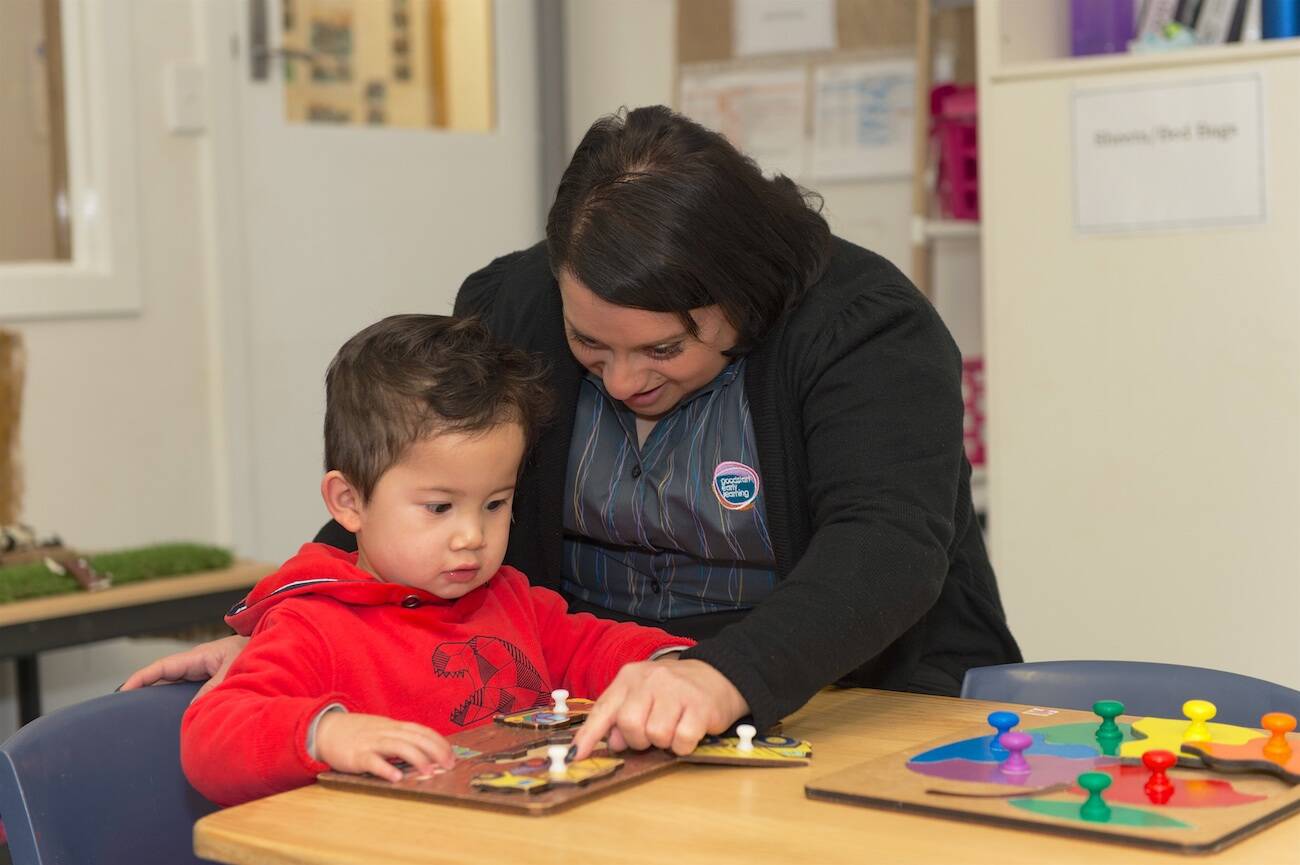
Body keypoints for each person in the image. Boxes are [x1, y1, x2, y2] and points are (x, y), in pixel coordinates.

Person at [129, 105, 1020, 763]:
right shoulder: (513, 304)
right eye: (591, 344)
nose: (626, 380)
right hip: (588, 714)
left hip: (831, 697)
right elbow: (411, 476)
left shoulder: (865, 329)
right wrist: (297, 614)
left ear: (744, 298)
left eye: (666, 347)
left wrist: (720, 675)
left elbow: (888, 547)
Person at [180, 315, 692, 806]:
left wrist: (677, 669)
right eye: (439, 507)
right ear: (349, 502)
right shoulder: (310, 626)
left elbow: (595, 647)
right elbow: (212, 739)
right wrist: (327, 733)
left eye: (495, 504)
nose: (471, 536)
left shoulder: (508, 599)